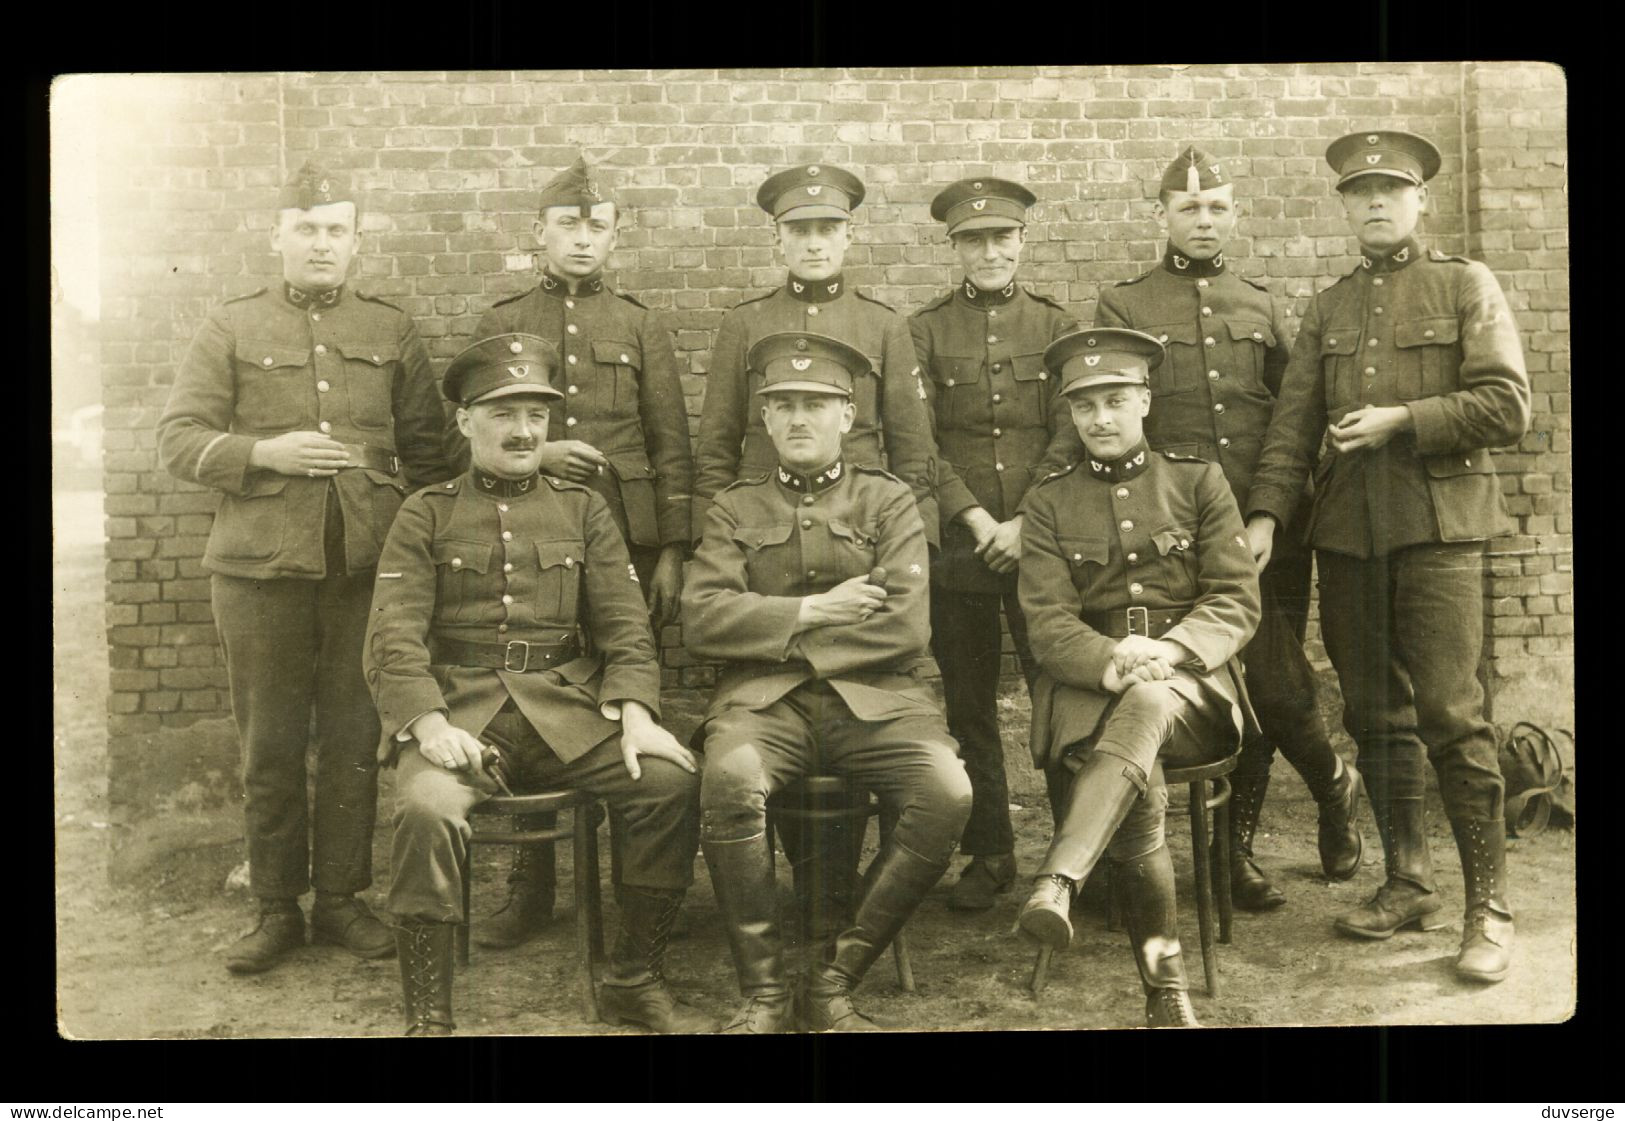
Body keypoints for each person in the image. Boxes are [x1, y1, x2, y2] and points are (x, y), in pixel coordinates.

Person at [1246, 130, 1531, 983]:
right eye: (1358, 190)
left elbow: (1505, 404)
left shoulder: (1463, 283)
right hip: (1346, 537)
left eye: (1389, 189)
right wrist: (1264, 515)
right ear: (1342, 204)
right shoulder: (1327, 306)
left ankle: (1488, 905)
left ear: (1419, 201)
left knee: (1451, 713)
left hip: (1439, 531)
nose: (1373, 201)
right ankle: (1406, 878)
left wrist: (1403, 418)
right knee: (1373, 718)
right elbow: (1291, 427)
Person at [157, 160, 453, 975]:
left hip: (366, 569)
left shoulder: (391, 329)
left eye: (336, 230)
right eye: (306, 229)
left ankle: (342, 900)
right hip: (257, 573)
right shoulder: (231, 327)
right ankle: (274, 908)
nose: (321, 243)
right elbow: (177, 440)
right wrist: (264, 451)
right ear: (278, 237)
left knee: (359, 737)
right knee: (271, 745)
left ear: (355, 242)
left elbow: (431, 451)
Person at [365, 334, 707, 1035]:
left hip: (564, 712)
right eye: (502, 413)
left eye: (536, 416)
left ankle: (634, 979)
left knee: (666, 781)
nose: (523, 431)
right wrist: (429, 726)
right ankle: (427, 1014)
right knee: (428, 807)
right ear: (463, 421)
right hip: (459, 714)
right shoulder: (424, 511)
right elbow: (392, 636)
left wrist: (638, 712)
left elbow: (624, 626)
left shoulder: (583, 509)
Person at [1094, 147, 1363, 910]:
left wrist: (1269, 514)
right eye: (1187, 209)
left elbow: (1291, 421)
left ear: (1233, 214)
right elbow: (1112, 418)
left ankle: (1250, 839)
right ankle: (1308, 800)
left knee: (1274, 688)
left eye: (1215, 207)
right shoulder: (1124, 306)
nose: (1202, 220)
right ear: (1161, 218)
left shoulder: (1259, 304)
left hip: (1270, 529)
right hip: (1177, 539)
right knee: (1226, 689)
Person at [683, 331, 972, 1033]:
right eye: (782, 404)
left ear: (848, 415)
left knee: (946, 791)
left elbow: (904, 626)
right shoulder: (733, 507)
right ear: (764, 417)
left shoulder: (890, 501)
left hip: (881, 700)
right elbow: (701, 617)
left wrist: (778, 638)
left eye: (815, 403)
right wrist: (814, 609)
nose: (798, 418)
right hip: (761, 707)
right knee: (729, 776)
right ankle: (765, 990)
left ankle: (835, 976)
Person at [692, 163, 943, 939]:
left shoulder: (883, 323)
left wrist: (908, 567)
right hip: (763, 540)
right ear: (778, 237)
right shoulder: (743, 324)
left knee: (906, 743)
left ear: (846, 234)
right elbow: (715, 451)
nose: (812, 241)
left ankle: (845, 897)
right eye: (798, 229)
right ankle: (814, 894)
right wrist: (736, 554)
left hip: (867, 541)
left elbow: (914, 454)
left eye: (826, 227)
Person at [462, 156, 695, 950]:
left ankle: (633, 894)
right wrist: (547, 449)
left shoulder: (638, 323)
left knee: (619, 697)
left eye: (598, 225)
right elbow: (479, 430)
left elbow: (672, 443)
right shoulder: (503, 318)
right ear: (540, 232)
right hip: (531, 535)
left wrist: (670, 550)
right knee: (536, 694)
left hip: (625, 537)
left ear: (615, 235)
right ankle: (532, 888)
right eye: (568, 223)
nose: (583, 238)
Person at [1015, 327, 1261, 1028]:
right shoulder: (1048, 502)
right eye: (1084, 405)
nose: (1100, 418)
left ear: (1144, 402)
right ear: (1069, 414)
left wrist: (1172, 650)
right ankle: (1165, 992)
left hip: (1193, 688)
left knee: (1150, 701)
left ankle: (1058, 877)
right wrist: (1110, 659)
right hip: (1088, 690)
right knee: (1140, 778)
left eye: (1115, 400)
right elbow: (1047, 621)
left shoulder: (1196, 478)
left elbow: (1235, 598)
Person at [909, 177, 1082, 910]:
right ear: (953, 248)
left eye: (1000, 238)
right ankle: (989, 851)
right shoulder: (922, 330)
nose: (988, 252)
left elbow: (1071, 425)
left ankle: (1074, 856)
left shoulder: (1054, 324)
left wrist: (1024, 521)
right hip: (961, 549)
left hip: (1043, 545)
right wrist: (979, 521)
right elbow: (918, 443)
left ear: (1021, 242)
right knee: (970, 703)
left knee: (1062, 697)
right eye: (972, 240)